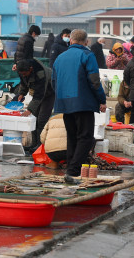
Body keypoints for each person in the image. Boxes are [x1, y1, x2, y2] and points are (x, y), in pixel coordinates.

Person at [52, 29, 106, 184]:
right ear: (86, 42)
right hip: (83, 103)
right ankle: (73, 170)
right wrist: (101, 99)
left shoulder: (59, 58)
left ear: (70, 41)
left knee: (72, 137)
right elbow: (94, 81)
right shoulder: (87, 55)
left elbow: (54, 83)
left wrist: (62, 98)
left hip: (64, 103)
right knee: (86, 138)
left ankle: (71, 168)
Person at [15, 58, 55, 148]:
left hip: (49, 93)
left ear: (31, 69)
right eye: (22, 74)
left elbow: (39, 95)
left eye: (25, 74)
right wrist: (21, 93)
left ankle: (40, 145)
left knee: (42, 120)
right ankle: (34, 144)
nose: (23, 75)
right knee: (34, 119)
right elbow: (24, 83)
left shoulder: (40, 74)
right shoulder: (22, 71)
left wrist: (29, 109)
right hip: (38, 94)